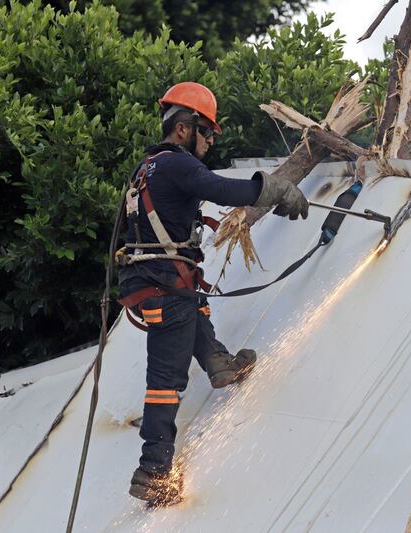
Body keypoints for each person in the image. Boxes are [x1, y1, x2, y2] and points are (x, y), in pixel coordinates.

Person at [116, 81, 308, 504]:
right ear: (185, 127)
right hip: (162, 283)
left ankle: (219, 363)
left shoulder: (146, 167)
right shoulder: (176, 164)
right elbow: (220, 189)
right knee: (166, 379)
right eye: (208, 132)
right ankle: (154, 472)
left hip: (154, 280)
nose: (210, 141)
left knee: (192, 307)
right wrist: (274, 188)